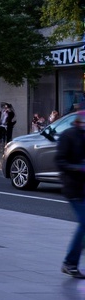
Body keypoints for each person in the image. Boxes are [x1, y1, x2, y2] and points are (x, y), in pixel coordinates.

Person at [55, 110, 85, 278]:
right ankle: (70, 262)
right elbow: (60, 160)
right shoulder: (68, 135)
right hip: (74, 187)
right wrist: (78, 168)